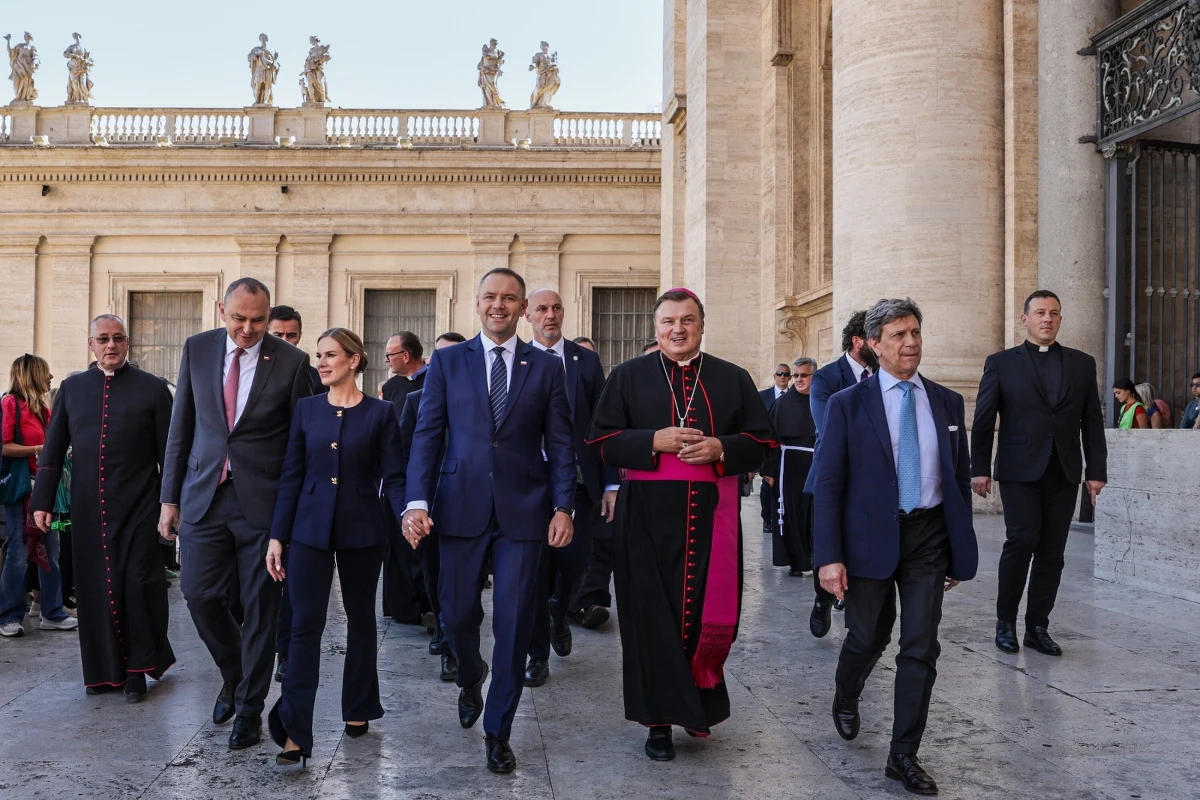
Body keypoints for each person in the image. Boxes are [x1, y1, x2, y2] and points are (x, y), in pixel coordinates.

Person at [586, 288, 776, 761]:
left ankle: (697, 708)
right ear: (656, 328)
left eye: (687, 320)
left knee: (700, 617)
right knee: (650, 617)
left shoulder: (733, 378)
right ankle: (656, 722)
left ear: (701, 325)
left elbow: (762, 442)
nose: (677, 329)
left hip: (712, 514)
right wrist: (655, 439)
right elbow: (601, 443)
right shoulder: (628, 377)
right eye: (668, 321)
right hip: (646, 516)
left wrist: (721, 448)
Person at [402, 268, 575, 775]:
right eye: (490, 297)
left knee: (517, 623)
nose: (499, 305)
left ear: (523, 308)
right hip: (459, 507)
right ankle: (469, 673)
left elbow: (562, 444)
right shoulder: (449, 362)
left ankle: (498, 730)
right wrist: (417, 502)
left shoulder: (544, 368)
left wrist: (563, 506)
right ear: (477, 304)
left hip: (525, 512)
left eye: (510, 298)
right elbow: (427, 437)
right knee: (455, 615)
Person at [814, 298, 977, 796]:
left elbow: (957, 479)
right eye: (899, 335)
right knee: (867, 637)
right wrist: (828, 555)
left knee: (921, 646)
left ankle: (903, 755)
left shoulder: (948, 402)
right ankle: (847, 693)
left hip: (927, 538)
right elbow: (829, 484)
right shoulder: (848, 404)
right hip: (867, 540)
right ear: (874, 346)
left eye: (915, 332)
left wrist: (956, 546)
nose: (910, 343)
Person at [159, 277, 313, 750]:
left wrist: (287, 521)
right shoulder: (198, 348)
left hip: (262, 507)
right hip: (204, 496)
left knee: (263, 610)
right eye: (239, 319)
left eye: (258, 321)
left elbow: (298, 446)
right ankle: (236, 674)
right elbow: (181, 425)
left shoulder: (291, 362)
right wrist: (169, 499)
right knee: (199, 593)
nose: (247, 329)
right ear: (221, 309)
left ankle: (250, 709)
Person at [265, 328, 407, 767]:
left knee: (361, 621)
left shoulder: (382, 413)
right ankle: (294, 733)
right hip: (308, 531)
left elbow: (396, 476)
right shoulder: (306, 410)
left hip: (364, 531)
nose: (322, 362)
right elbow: (291, 475)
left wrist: (408, 514)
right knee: (304, 625)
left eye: (331, 355)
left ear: (354, 360)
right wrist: (278, 535)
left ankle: (360, 708)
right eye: (320, 356)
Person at [31, 315, 175, 700]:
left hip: (141, 504)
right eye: (103, 339)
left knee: (137, 585)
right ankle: (103, 672)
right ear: (90, 344)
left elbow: (170, 455)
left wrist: (170, 505)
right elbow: (53, 449)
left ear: (128, 343)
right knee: (96, 587)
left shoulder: (153, 388)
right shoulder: (73, 388)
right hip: (88, 507)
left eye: (118, 338)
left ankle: (136, 670)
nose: (110, 345)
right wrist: (42, 501)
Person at [972, 289, 1107, 658]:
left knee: (1052, 552)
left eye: (1054, 313)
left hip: (1063, 469)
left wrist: (1096, 471)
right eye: (1040, 312)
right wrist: (979, 468)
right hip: (1019, 470)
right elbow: (984, 419)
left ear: (1060, 319)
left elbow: (1092, 421)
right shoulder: (1001, 363)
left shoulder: (1082, 363)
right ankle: (1005, 623)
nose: (1047, 318)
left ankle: (1037, 626)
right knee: (1022, 540)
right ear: (1025, 319)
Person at [521, 289, 618, 689]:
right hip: (527, 485)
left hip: (578, 484)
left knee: (575, 566)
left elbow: (604, 426)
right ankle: (536, 654)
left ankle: (560, 616)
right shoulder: (516, 360)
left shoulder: (586, 361)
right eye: (542, 308)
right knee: (531, 574)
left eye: (556, 308)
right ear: (528, 314)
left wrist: (611, 482)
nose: (550, 315)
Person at [397, 331, 466, 683]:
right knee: (434, 572)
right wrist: (413, 502)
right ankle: (444, 631)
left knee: (463, 581)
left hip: (471, 504)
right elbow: (406, 453)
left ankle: (457, 639)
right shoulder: (415, 400)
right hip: (430, 504)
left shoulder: (482, 398)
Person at [804, 310, 877, 636]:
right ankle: (822, 598)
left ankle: (860, 622)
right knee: (829, 544)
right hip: (833, 474)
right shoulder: (826, 378)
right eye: (874, 338)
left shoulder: (883, 374)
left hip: (873, 478)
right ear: (858, 340)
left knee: (864, 545)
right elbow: (828, 426)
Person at [0, 354, 78, 637]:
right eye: (46, 373)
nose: (50, 378)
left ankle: (52, 611)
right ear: (32, 375)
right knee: (19, 553)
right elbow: (4, 446)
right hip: (22, 492)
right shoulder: (10, 404)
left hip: (47, 491)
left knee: (52, 551)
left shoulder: (42, 410)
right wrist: (38, 449)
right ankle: (9, 616)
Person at [266, 305, 323, 685]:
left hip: (296, 492)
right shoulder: (247, 372)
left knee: (287, 578)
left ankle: (285, 650)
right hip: (255, 488)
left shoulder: (313, 375)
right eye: (279, 335)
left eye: (293, 335)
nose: (287, 342)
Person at [380, 331, 432, 628]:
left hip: (424, 471)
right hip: (396, 471)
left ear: (406, 355)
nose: (387, 360)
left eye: (390, 354)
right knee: (397, 543)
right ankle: (403, 607)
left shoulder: (435, 381)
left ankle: (428, 605)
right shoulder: (389, 386)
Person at [761, 358, 818, 578]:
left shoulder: (823, 400)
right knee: (792, 513)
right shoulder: (783, 404)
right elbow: (771, 440)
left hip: (816, 464)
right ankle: (797, 560)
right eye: (796, 376)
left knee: (815, 514)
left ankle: (815, 557)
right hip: (789, 467)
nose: (798, 380)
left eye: (804, 375)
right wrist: (769, 470)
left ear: (814, 376)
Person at [756, 364, 791, 535]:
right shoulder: (763, 396)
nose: (782, 377)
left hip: (787, 448)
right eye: (779, 374)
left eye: (786, 374)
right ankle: (767, 518)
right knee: (766, 485)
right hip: (769, 448)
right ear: (774, 375)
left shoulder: (795, 397)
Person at [268, 305, 327, 395]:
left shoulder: (316, 378)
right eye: (277, 335)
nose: (285, 341)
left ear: (299, 336)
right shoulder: (251, 370)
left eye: (291, 335)